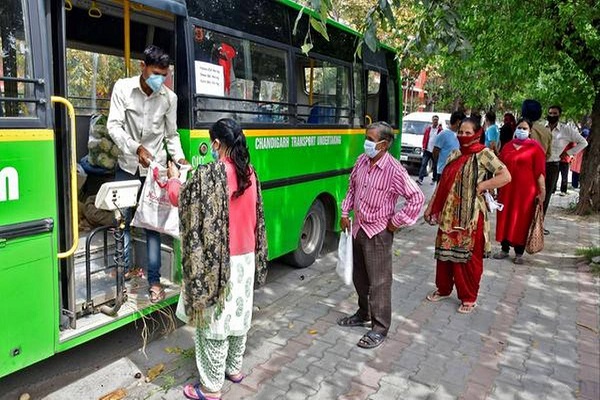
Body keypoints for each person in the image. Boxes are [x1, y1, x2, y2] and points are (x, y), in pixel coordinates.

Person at [172, 119, 268, 400]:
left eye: (211, 143)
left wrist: (173, 178)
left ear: (216, 143)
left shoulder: (210, 174)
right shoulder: (249, 172)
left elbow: (180, 198)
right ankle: (234, 369)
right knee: (238, 315)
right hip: (246, 258)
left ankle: (210, 388)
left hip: (218, 262)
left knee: (213, 323)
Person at [107, 45, 188, 303]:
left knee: (154, 225)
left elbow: (171, 135)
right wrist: (135, 148)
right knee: (123, 221)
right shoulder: (123, 88)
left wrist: (179, 157)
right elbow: (113, 126)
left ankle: (154, 282)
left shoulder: (169, 98)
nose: (159, 80)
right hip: (127, 165)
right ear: (142, 68)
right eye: (155, 73)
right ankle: (122, 277)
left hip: (155, 171)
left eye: (163, 75)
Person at [337, 121, 424, 349]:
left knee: (379, 283)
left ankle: (379, 327)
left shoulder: (394, 170)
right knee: (360, 277)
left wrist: (396, 222)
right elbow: (352, 189)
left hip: (379, 232)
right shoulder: (361, 161)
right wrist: (345, 212)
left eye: (371, 140)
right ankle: (363, 313)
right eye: (366, 137)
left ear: (384, 145)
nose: (366, 143)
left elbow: (416, 198)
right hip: (358, 228)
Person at [423, 117, 511, 314]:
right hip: (448, 213)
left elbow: (505, 176)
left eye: (467, 133)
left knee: (468, 257)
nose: (463, 136)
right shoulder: (455, 153)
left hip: (471, 216)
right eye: (460, 132)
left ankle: (468, 296)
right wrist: (430, 207)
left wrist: (483, 186)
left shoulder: (484, 154)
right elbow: (442, 183)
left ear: (477, 133)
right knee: (444, 255)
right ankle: (444, 289)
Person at [494, 118, 546, 264]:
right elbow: (499, 168)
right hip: (506, 189)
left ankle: (519, 252)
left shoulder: (535, 148)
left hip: (525, 192)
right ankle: (504, 249)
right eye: (519, 128)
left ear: (530, 131)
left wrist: (542, 191)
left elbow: (540, 173)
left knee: (522, 220)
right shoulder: (507, 146)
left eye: (525, 128)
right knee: (504, 217)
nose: (521, 131)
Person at [543, 105, 588, 216]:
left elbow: (583, 142)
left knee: (546, 196)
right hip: (538, 164)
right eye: (550, 113)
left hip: (553, 165)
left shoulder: (566, 130)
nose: (552, 115)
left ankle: (538, 224)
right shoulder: (542, 128)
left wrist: (567, 153)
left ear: (559, 115)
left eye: (555, 113)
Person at [433, 111, 464, 176]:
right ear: (458, 122)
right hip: (443, 172)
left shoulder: (460, 135)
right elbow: (435, 151)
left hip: (456, 172)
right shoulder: (443, 134)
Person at [417, 115, 443, 185]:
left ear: (438, 121)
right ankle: (420, 179)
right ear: (432, 121)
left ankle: (434, 179)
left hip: (435, 151)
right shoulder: (428, 129)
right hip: (427, 150)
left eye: (436, 120)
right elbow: (425, 138)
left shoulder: (440, 130)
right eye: (434, 120)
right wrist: (423, 146)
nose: (435, 121)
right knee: (423, 164)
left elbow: (442, 139)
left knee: (435, 166)